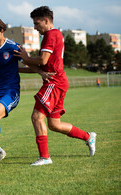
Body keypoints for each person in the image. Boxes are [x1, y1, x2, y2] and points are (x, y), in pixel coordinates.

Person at [14, 6, 97, 166]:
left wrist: (25, 57)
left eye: (37, 23)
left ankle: (44, 157)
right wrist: (18, 68)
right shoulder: (54, 34)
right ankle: (88, 137)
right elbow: (43, 67)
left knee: (37, 117)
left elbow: (43, 60)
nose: (35, 27)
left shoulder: (51, 35)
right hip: (57, 81)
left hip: (54, 83)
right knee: (54, 124)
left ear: (46, 21)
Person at [0, 18, 51, 167]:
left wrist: (41, 73)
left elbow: (28, 62)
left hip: (10, 91)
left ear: (2, 31)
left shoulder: (13, 47)